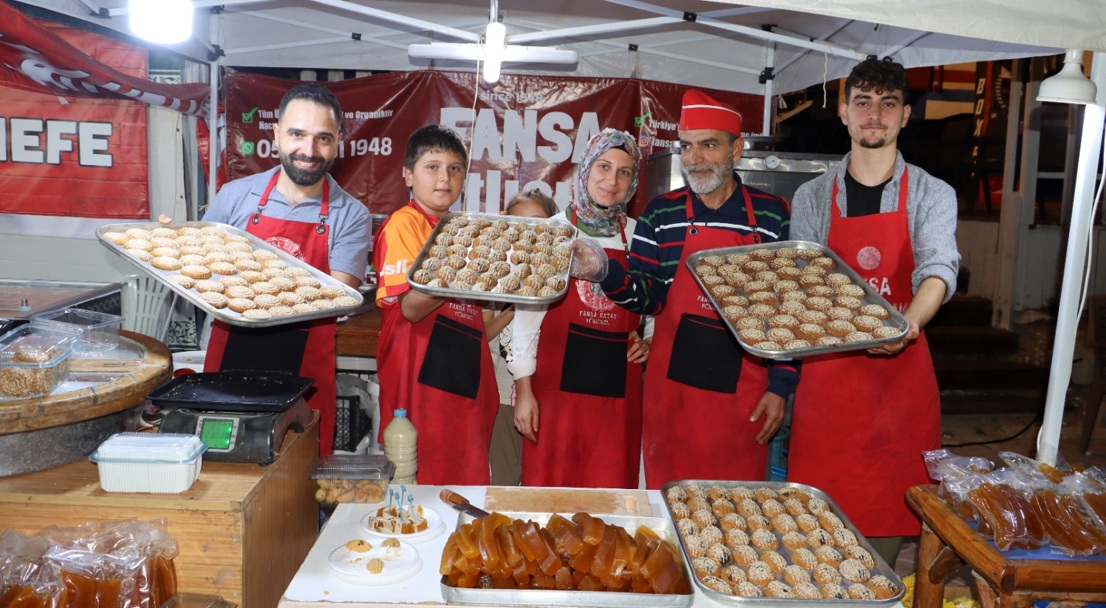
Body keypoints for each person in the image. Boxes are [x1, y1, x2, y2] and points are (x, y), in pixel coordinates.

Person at [787, 57, 961, 563]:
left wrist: (908, 324)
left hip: (898, 396)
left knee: (879, 558)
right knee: (815, 548)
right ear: (843, 112)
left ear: (905, 115)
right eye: (862, 102)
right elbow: (804, 286)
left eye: (888, 104)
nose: (874, 115)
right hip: (829, 391)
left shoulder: (933, 193)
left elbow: (938, 269)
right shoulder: (813, 196)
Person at [591, 91, 797, 488]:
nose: (695, 159)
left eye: (708, 145)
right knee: (670, 507)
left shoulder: (771, 214)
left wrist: (780, 385)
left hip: (744, 400)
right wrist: (606, 273)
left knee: (736, 515)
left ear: (736, 148)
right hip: (673, 401)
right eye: (687, 147)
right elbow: (648, 298)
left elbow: (785, 311)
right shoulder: (660, 213)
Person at [200, 82, 370, 456]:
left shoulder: (352, 216)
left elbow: (334, 297)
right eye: (297, 134)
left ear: (338, 141)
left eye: (322, 138)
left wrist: (243, 280)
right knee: (223, 465)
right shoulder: (234, 197)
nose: (308, 151)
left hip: (305, 374)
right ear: (276, 135)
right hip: (230, 360)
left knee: (301, 481)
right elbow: (203, 273)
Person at [509, 129, 652, 488]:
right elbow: (525, 322)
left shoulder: (639, 236)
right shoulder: (553, 233)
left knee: (610, 500)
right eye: (603, 166)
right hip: (555, 395)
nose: (612, 180)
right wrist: (524, 391)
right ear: (585, 170)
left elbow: (655, 303)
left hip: (617, 399)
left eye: (624, 172)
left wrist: (650, 339)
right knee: (548, 496)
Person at [373, 124, 499, 485]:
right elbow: (411, 308)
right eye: (432, 166)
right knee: (418, 483)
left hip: (463, 372)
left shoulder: (462, 229)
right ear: (408, 175)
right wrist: (461, 267)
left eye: (455, 168)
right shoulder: (404, 224)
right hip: (419, 377)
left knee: (465, 483)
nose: (444, 178)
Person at [486, 189, 558, 486]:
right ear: (506, 223)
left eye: (538, 222)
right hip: (501, 391)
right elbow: (483, 332)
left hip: (545, 391)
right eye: (521, 222)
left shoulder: (557, 271)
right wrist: (519, 308)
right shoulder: (493, 272)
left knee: (540, 478)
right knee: (504, 478)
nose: (529, 230)